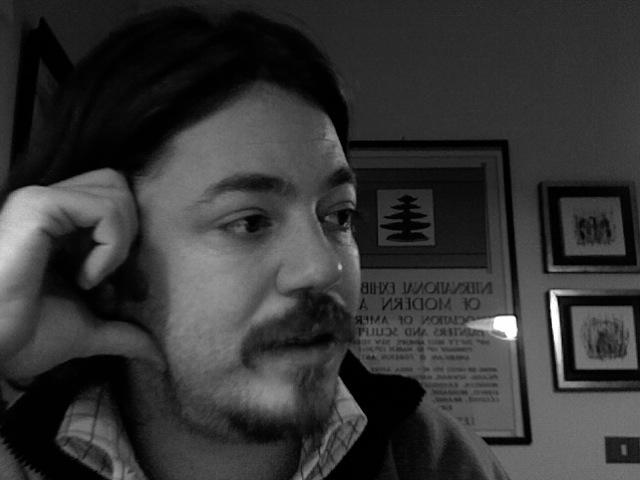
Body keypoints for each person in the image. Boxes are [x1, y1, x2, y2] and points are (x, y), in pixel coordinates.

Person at [0, 6, 510, 480]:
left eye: (340, 215)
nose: (325, 267)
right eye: (249, 222)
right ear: (106, 262)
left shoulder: (439, 460)